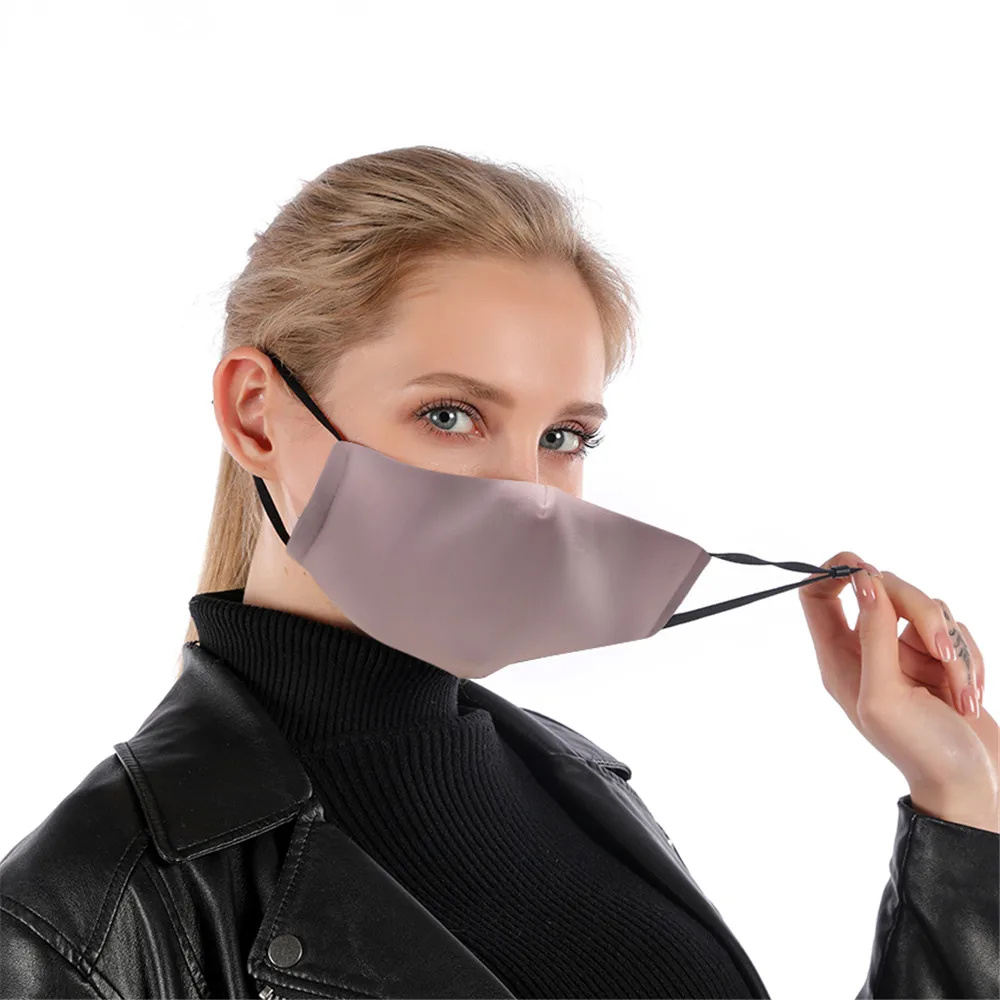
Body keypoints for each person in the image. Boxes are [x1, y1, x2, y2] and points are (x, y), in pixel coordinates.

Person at [1, 146, 996, 1000]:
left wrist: (959, 807)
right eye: (451, 415)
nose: (524, 493)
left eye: (563, 436)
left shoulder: (571, 784)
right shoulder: (83, 913)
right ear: (258, 414)